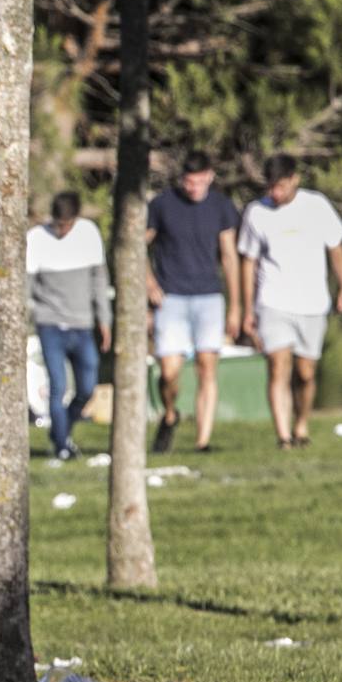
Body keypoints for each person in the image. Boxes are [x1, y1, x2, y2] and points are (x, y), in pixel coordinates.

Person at [237, 154, 342, 449]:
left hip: (312, 302)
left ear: (294, 180)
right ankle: (283, 436)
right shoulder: (256, 213)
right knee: (278, 366)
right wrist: (246, 308)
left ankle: (301, 424)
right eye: (270, 187)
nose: (274, 193)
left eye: (279, 186)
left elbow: (336, 249)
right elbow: (248, 262)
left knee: (305, 373)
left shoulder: (317, 206)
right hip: (273, 300)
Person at [146, 150, 241, 454]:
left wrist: (236, 304)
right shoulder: (162, 205)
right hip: (171, 296)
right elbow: (135, 244)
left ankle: (203, 440)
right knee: (169, 371)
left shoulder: (221, 207)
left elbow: (229, 256)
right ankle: (171, 413)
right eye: (189, 182)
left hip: (209, 296)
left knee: (206, 367)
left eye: (199, 181)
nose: (194, 187)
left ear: (210, 177)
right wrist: (148, 282)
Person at [26, 191, 112, 460]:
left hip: (82, 325)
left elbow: (99, 281)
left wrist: (104, 320)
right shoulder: (37, 239)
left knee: (87, 387)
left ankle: (61, 430)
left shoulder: (89, 234)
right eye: (59, 224)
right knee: (58, 386)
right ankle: (62, 447)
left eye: (67, 224)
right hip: (50, 324)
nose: (62, 230)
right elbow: (26, 288)